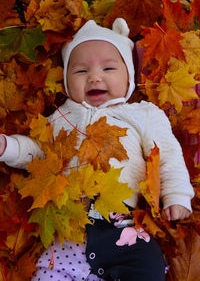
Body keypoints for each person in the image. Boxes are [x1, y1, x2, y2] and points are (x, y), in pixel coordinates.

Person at [0, 18, 194, 281]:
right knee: (49, 271)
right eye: (80, 71)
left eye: (109, 67)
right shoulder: (61, 118)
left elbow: (168, 154)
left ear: (129, 77)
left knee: (148, 266)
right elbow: (38, 154)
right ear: (67, 83)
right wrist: (8, 147)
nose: (94, 76)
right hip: (70, 225)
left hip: (122, 222)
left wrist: (177, 195)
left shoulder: (143, 115)